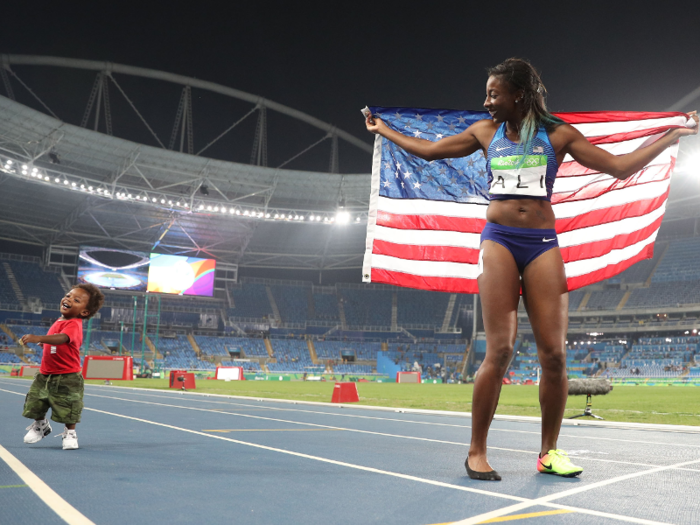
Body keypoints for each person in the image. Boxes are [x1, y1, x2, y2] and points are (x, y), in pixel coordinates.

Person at [366, 57, 698, 480]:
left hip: (541, 245)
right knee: (500, 349)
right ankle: (476, 452)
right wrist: (384, 131)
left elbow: (618, 167)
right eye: (487, 93)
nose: (486, 101)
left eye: (493, 94)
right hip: (499, 241)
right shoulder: (484, 132)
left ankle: (549, 453)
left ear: (517, 95)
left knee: (555, 356)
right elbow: (431, 152)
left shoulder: (557, 134)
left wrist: (673, 136)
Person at [20, 283, 104, 450]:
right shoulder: (60, 320)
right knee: (35, 402)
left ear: (84, 312)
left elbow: (62, 339)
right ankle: (41, 425)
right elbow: (55, 341)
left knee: (69, 406)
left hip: (67, 375)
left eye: (76, 300)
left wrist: (39, 338)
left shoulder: (74, 323)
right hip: (45, 373)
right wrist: (45, 345)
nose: (68, 299)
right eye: (68, 295)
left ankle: (70, 432)